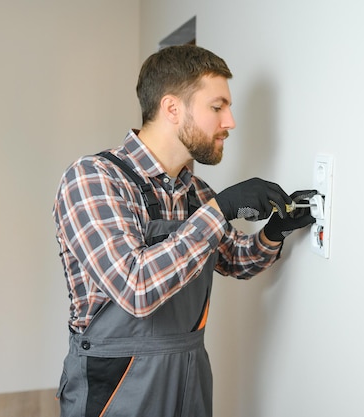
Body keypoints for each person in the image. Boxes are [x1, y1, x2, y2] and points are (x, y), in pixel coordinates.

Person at [52, 44, 315, 417]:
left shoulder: (197, 193)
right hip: (114, 383)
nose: (230, 122)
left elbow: (236, 261)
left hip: (189, 374)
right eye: (217, 107)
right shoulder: (94, 178)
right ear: (172, 108)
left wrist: (276, 230)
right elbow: (136, 287)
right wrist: (219, 210)